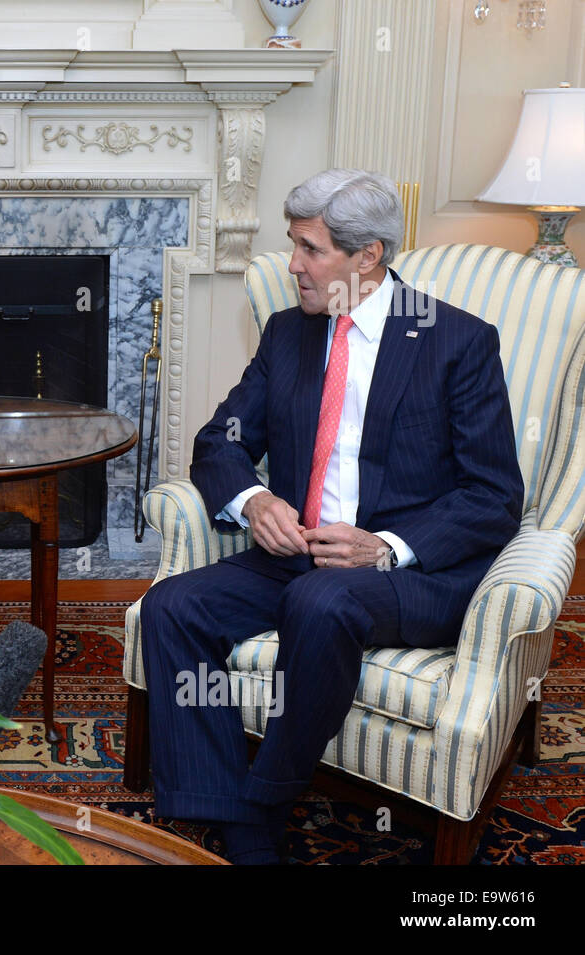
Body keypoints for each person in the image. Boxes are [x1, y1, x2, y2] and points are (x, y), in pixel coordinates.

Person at [139, 168, 523, 863]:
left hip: (405, 574)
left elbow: (493, 495)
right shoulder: (288, 333)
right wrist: (254, 501)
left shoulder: (456, 342)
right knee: (171, 606)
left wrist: (385, 546)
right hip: (293, 554)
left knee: (321, 599)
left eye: (311, 249)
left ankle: (267, 796)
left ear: (368, 255)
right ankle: (227, 809)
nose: (293, 265)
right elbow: (218, 442)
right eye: (294, 245)